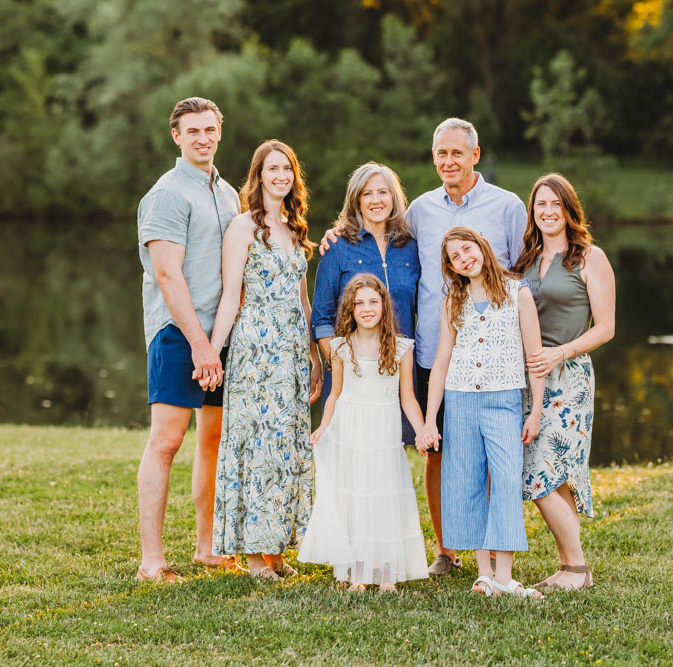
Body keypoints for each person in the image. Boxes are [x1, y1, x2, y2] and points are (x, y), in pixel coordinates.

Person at [320, 118, 526, 576]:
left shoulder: (508, 207)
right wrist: (335, 235)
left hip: (493, 360)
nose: (448, 161)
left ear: (475, 154)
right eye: (441, 154)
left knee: (492, 457)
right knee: (436, 450)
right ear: (433, 158)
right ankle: (447, 550)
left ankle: (493, 552)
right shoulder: (420, 213)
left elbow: (523, 274)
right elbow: (377, 236)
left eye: (457, 153)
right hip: (432, 353)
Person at [135, 97, 241, 582]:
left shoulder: (228, 193)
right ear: (176, 136)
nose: (203, 137)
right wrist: (200, 345)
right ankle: (151, 561)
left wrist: (217, 342)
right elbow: (166, 275)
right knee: (167, 441)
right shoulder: (168, 194)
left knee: (214, 439)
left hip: (221, 334)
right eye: (192, 130)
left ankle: (208, 548)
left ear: (220, 132)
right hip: (180, 334)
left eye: (210, 129)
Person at [206, 140, 322, 580]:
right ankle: (255, 556)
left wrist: (313, 354)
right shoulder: (243, 228)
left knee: (286, 447)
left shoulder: (294, 228)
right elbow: (230, 296)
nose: (281, 176)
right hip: (256, 352)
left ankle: (276, 551)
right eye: (272, 169)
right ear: (258, 176)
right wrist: (214, 353)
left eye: (287, 169)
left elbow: (303, 298)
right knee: (258, 447)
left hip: (291, 352)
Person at [416, 227, 545, 598]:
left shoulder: (517, 292)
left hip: (503, 399)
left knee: (505, 480)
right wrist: (429, 419)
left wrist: (535, 410)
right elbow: (441, 363)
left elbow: (534, 358)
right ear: (451, 267)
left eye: (467, 249)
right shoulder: (452, 302)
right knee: (467, 482)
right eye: (455, 257)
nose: (464, 258)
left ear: (481, 246)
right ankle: (484, 574)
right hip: (460, 400)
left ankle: (505, 576)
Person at [298, 274, 434, 592]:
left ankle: (386, 572)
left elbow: (408, 399)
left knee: (383, 497)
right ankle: (358, 571)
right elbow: (334, 394)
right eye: (359, 303)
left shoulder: (401, 349)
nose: (367, 308)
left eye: (373, 302)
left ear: (384, 306)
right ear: (350, 309)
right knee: (356, 496)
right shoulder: (341, 347)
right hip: (351, 429)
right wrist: (323, 426)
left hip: (384, 432)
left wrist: (421, 430)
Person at [515, 174, 615, 591]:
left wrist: (561, 352)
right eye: (540, 204)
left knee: (537, 472)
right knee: (551, 473)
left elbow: (606, 327)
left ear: (569, 210)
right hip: (526, 376)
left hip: (568, 375)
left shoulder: (590, 258)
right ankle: (569, 568)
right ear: (532, 212)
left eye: (556, 204)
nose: (548, 211)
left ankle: (577, 566)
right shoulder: (526, 261)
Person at [310, 162, 420, 441]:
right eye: (367, 194)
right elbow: (321, 319)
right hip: (352, 376)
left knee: (389, 450)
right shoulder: (338, 247)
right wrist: (341, 362)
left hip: (395, 373)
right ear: (356, 200)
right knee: (350, 451)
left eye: (382, 192)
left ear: (394, 197)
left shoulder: (410, 248)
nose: (375, 200)